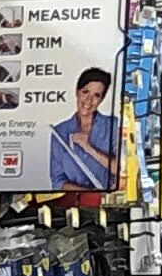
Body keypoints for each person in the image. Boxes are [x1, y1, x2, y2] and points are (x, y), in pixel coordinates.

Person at [47, 66, 121, 195]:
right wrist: (89, 194)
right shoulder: (59, 131)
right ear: (77, 91)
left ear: (102, 99)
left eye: (96, 95)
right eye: (85, 92)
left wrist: (89, 148)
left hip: (109, 202)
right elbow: (57, 182)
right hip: (74, 203)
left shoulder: (114, 126)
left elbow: (121, 170)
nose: (89, 100)